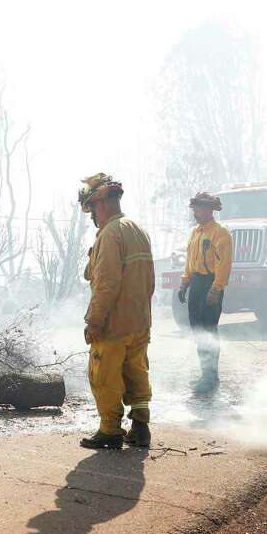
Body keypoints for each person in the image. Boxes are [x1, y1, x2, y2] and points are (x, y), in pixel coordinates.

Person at [77, 173, 155, 450]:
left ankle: (110, 430)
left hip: (113, 326)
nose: (93, 216)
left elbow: (106, 284)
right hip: (139, 322)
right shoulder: (137, 230)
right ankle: (141, 427)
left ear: (103, 203)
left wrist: (94, 321)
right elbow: (149, 281)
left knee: (104, 376)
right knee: (137, 374)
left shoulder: (110, 234)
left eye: (93, 209)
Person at [178, 192, 232, 395]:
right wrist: (185, 283)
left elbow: (224, 264)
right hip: (197, 284)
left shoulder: (221, 233)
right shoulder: (194, 233)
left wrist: (216, 289)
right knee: (198, 331)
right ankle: (205, 374)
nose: (196, 212)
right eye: (194, 208)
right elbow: (189, 262)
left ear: (210, 209)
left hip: (211, 283)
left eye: (199, 208)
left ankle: (211, 377)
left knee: (208, 330)